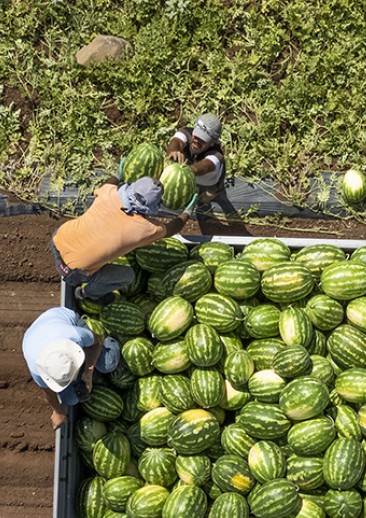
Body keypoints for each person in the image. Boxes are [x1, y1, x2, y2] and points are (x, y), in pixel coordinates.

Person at [50, 176, 196, 306]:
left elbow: (110, 181)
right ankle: (87, 294)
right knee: (127, 276)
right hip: (72, 271)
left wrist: (119, 172)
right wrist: (187, 212)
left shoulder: (108, 193)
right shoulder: (145, 229)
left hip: (58, 238)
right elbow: (171, 229)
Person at [21, 306, 120, 430]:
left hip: (67, 321)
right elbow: (49, 393)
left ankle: (113, 340)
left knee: (108, 364)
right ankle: (92, 377)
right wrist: (58, 411)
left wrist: (88, 371)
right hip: (35, 336)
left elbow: (97, 341)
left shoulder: (75, 336)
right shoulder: (38, 369)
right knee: (70, 399)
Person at [165, 113, 226, 204]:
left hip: (209, 179)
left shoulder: (216, 155)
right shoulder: (187, 132)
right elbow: (176, 141)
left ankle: (211, 193)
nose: (196, 141)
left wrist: (187, 171)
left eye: (202, 140)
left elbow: (204, 167)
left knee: (213, 189)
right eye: (196, 136)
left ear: (212, 142)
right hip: (187, 172)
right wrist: (173, 151)